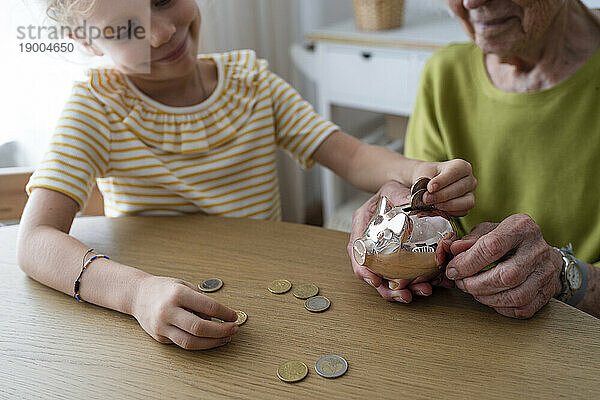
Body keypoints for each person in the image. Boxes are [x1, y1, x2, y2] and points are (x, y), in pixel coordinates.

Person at [16, 0, 477, 351]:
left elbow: (353, 156)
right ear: (87, 41)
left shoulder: (252, 81)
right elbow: (35, 240)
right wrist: (135, 292)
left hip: (271, 307)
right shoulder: (94, 107)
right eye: (126, 29)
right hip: (157, 323)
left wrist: (419, 171)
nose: (159, 34)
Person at [349, 0, 600, 318]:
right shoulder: (444, 74)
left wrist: (564, 274)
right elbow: (425, 212)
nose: (470, 2)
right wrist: (400, 224)